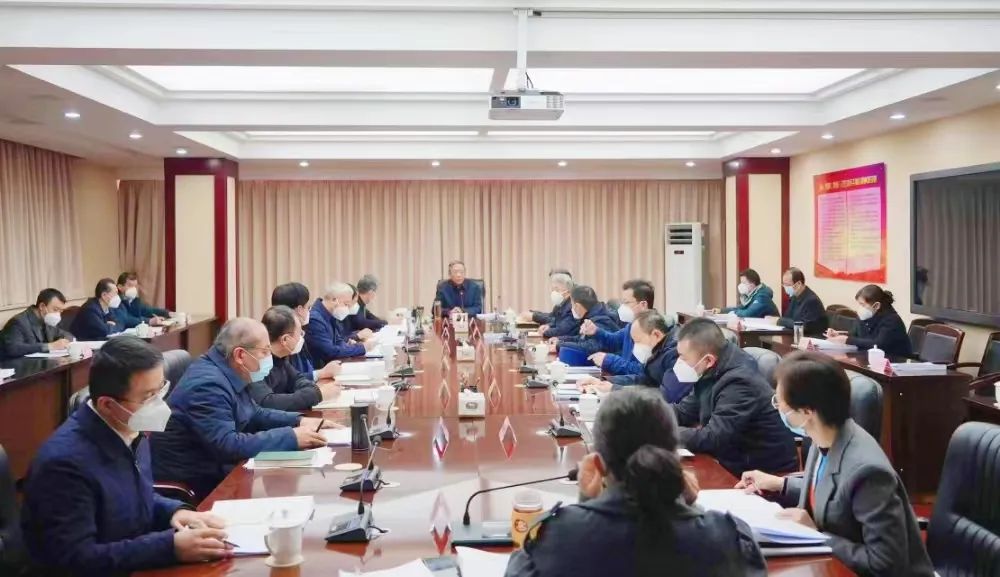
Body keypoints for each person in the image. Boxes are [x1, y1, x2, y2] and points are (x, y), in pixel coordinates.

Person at [21, 337, 233, 576]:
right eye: (148, 396)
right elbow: (76, 559)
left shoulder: (129, 429)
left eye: (161, 390)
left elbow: (135, 498)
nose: (159, 404)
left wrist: (176, 512)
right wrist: (169, 547)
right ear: (107, 405)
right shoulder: (64, 465)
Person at [504, 387, 767, 577]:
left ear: (598, 465)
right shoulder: (729, 538)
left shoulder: (555, 537)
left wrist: (587, 501)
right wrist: (685, 504)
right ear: (675, 459)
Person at [737, 351, 933, 577]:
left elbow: (885, 564)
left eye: (779, 402)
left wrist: (817, 536)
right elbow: (834, 496)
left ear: (807, 412)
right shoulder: (824, 436)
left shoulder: (868, 471)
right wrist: (780, 485)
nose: (778, 407)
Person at [151, 318, 335, 500]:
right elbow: (227, 445)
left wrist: (299, 420)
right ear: (240, 355)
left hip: (220, 470)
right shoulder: (207, 385)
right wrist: (291, 437)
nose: (269, 357)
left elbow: (254, 412)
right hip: (199, 484)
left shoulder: (229, 369)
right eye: (265, 351)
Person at [672, 318, 797, 476]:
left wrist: (664, 432)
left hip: (762, 474)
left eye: (683, 358)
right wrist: (649, 416)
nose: (679, 362)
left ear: (709, 360)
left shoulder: (740, 381)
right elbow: (685, 411)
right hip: (731, 461)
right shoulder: (709, 369)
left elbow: (714, 437)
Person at [579, 310, 689, 403]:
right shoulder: (657, 349)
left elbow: (665, 397)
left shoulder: (676, 353)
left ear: (656, 334)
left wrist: (615, 389)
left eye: (638, 341)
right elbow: (643, 379)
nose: (635, 348)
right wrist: (605, 381)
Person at [252, 306, 342, 411]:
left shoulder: (281, 358)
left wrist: (313, 392)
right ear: (285, 339)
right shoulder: (257, 363)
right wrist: (317, 394)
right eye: (300, 333)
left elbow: (298, 379)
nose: (302, 337)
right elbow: (268, 402)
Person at [580, 279, 655, 376]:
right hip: (624, 379)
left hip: (633, 383)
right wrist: (596, 331)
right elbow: (614, 341)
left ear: (643, 304)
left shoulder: (652, 331)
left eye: (626, 302)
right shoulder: (632, 324)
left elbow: (641, 372)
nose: (622, 307)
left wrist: (608, 360)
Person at [824, 285, 912, 357]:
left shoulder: (892, 320)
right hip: (868, 359)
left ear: (876, 306)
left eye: (862, 305)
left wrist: (847, 340)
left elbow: (878, 344)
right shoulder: (866, 315)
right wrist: (838, 335)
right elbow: (855, 335)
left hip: (895, 361)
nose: (860, 308)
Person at [304, 283, 377, 366]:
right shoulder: (315, 319)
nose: (347, 309)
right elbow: (330, 352)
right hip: (321, 369)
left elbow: (339, 342)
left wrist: (348, 346)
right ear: (333, 300)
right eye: (346, 304)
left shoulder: (331, 315)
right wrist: (362, 348)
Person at [0, 288, 74, 358]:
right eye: (55, 309)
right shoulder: (18, 322)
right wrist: (49, 346)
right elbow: (13, 349)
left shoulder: (48, 319)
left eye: (60, 311)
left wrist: (65, 341)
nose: (57, 314)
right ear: (42, 306)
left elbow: (66, 334)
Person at [549, 285, 618, 351]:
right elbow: (582, 338)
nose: (571, 308)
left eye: (572, 304)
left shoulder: (601, 320)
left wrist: (559, 346)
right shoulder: (592, 314)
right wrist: (561, 339)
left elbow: (590, 347)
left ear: (577, 306)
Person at [768, 267, 828, 336]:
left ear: (799, 284)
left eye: (788, 285)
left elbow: (805, 326)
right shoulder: (794, 297)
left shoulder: (812, 301)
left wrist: (779, 321)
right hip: (796, 335)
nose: (785, 287)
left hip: (811, 338)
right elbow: (787, 317)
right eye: (784, 284)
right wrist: (778, 320)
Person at [522, 272, 577, 339]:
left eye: (556, 290)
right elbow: (554, 320)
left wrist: (545, 332)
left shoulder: (572, 306)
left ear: (568, 292)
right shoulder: (561, 304)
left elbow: (562, 330)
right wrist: (548, 326)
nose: (553, 292)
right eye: (553, 290)